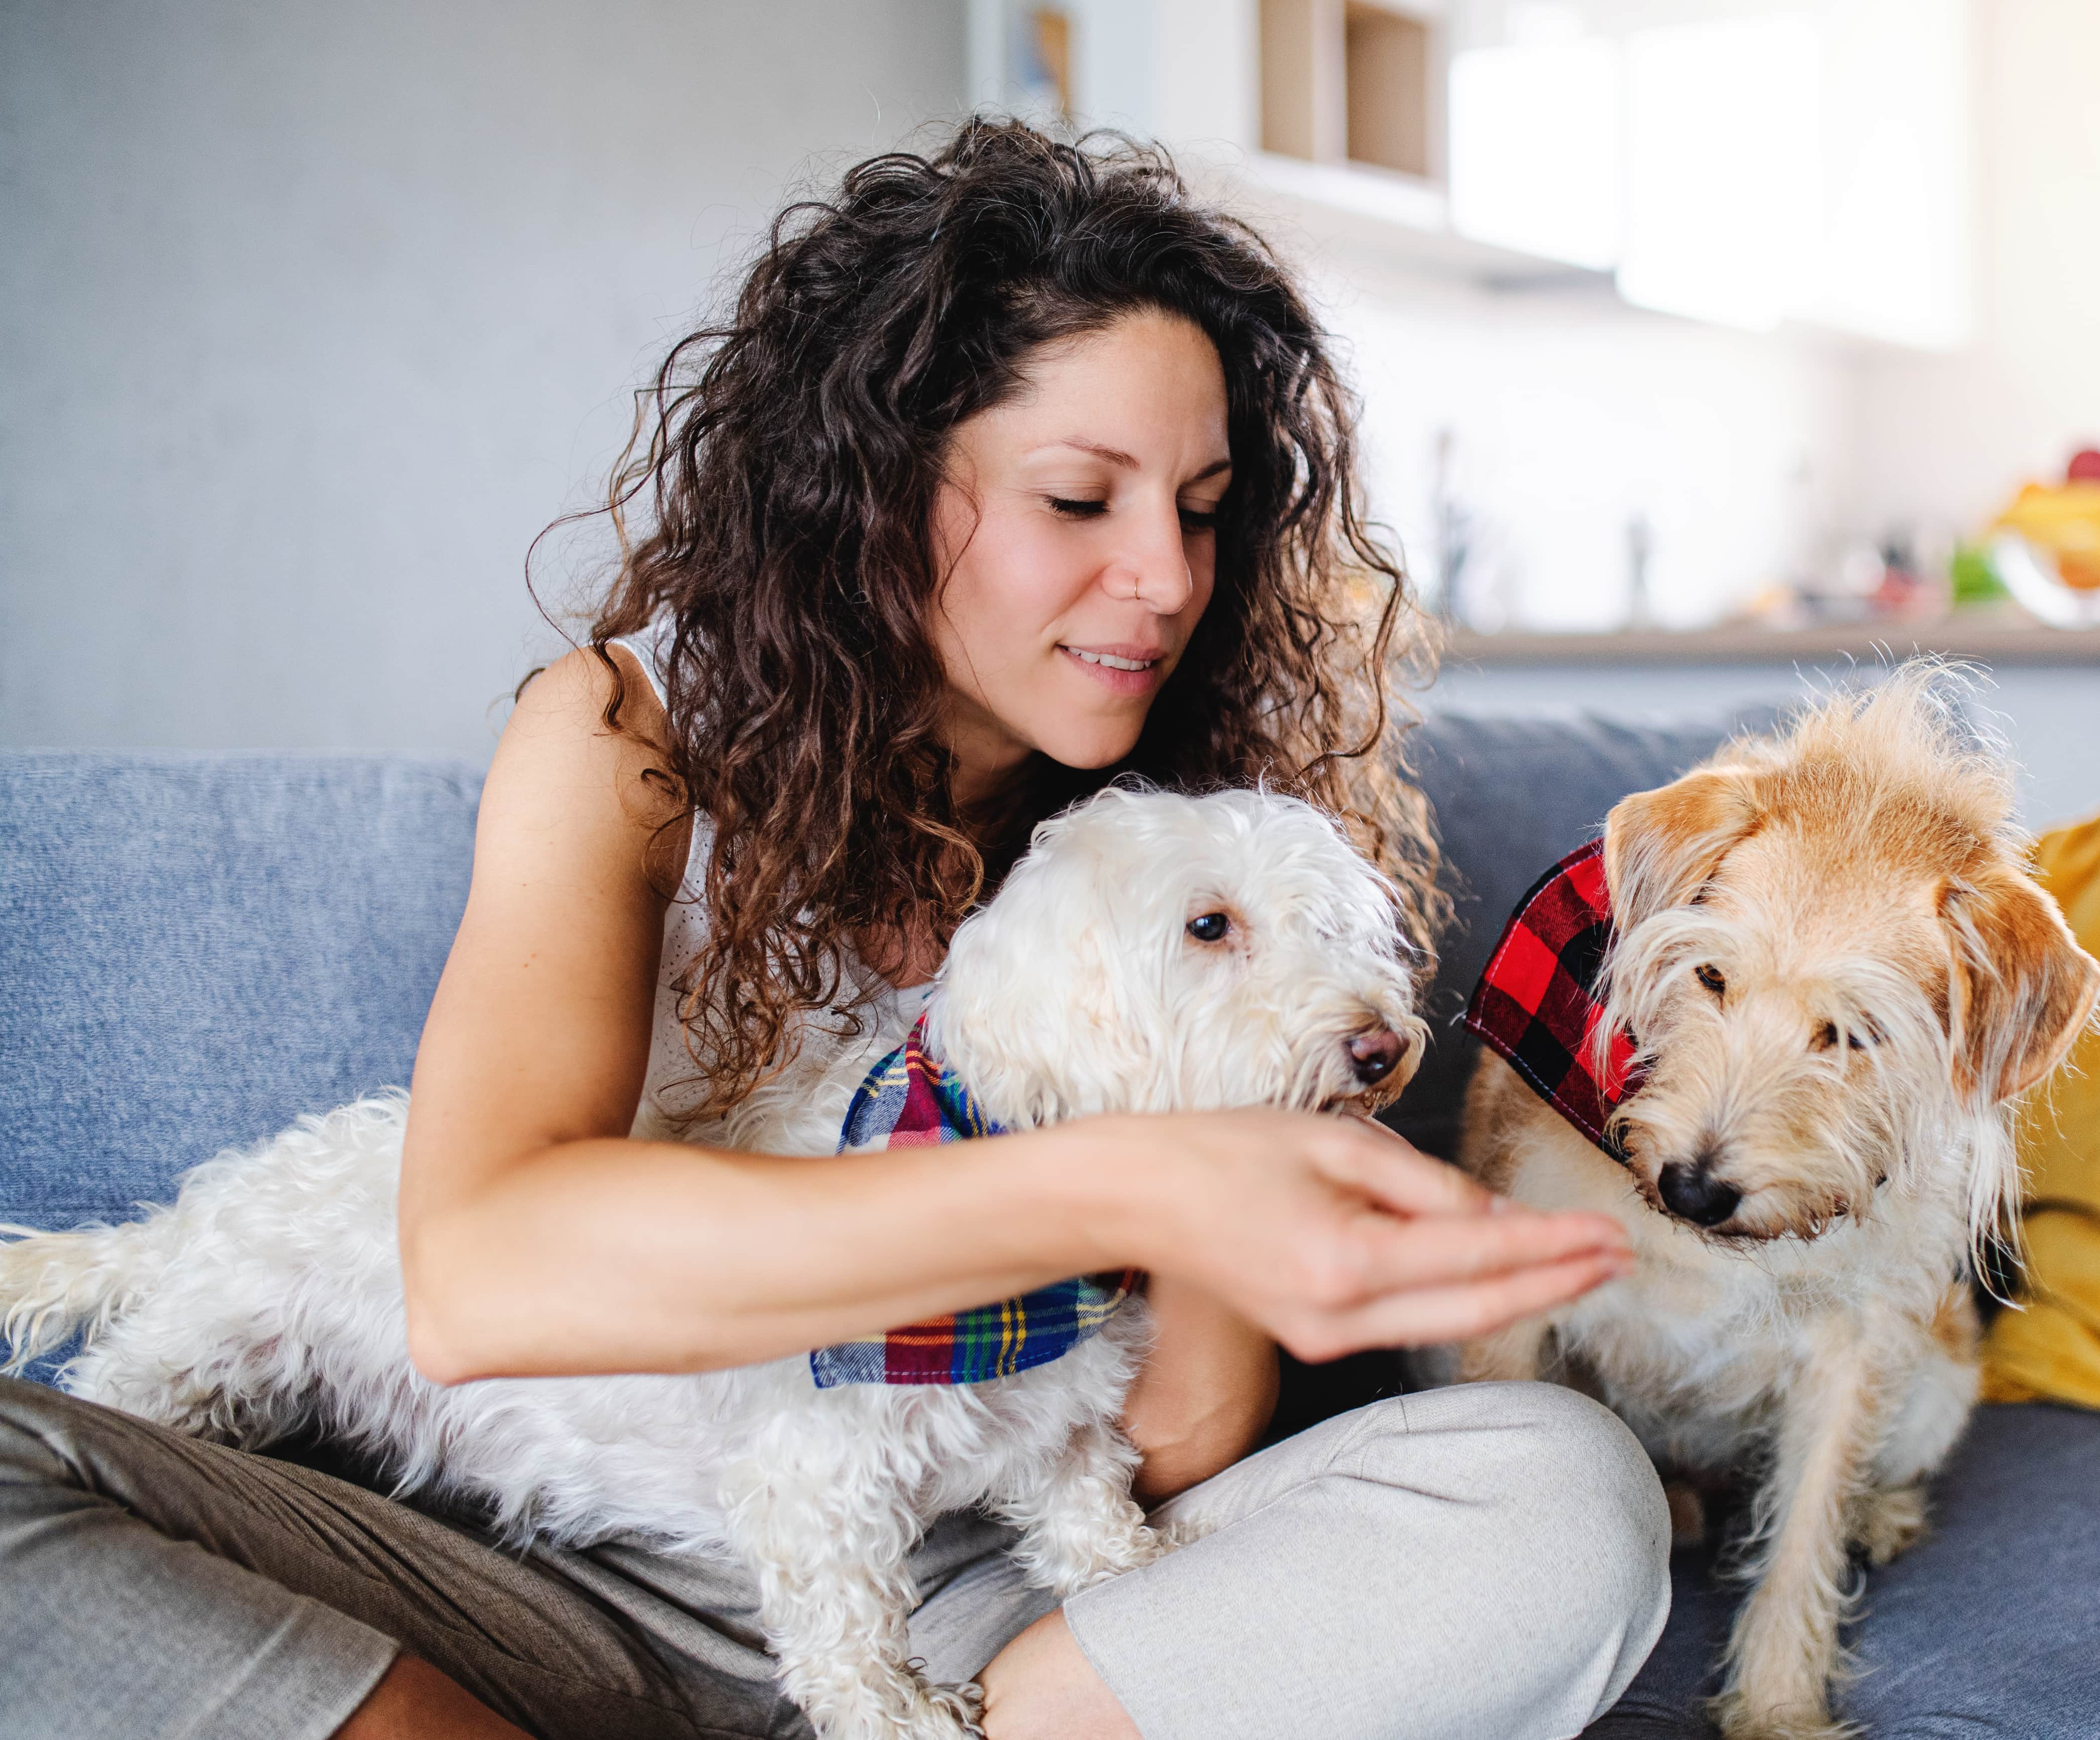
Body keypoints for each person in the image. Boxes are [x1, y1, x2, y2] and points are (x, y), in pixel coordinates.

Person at [0, 122, 1669, 1740]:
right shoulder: (629, 737)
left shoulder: (1200, 860)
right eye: (1082, 500)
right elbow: (476, 1273)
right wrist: (1125, 1181)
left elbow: (1178, 1439)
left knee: (1561, 1503)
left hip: (983, 1608)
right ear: (876, 492)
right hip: (505, 1579)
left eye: (1207, 505)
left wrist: (1230, 1108)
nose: (1166, 577)